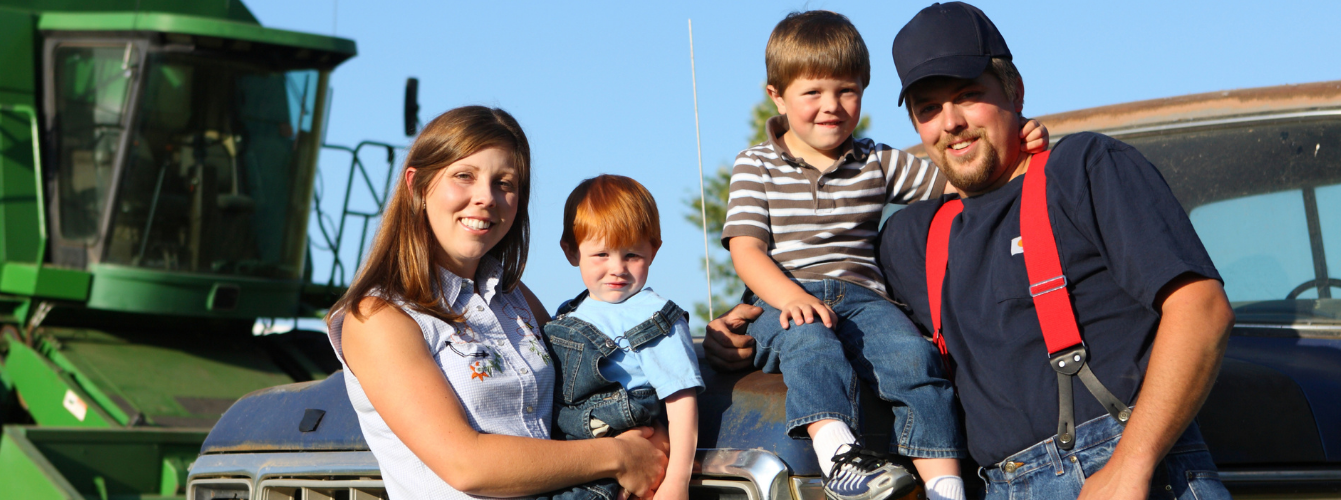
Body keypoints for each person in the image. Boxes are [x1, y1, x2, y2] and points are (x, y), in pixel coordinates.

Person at [709, 3, 1236, 499]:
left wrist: (1130, 466)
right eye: (928, 108)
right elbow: (847, 319)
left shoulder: (1082, 168)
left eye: (968, 95)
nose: (951, 121)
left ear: (1015, 91)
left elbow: (1201, 309)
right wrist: (745, 328)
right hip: (990, 484)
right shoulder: (911, 237)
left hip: (1114, 471)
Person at [720, 10, 1045, 500]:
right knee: (809, 341)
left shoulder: (876, 160)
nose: (831, 106)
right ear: (777, 96)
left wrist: (1021, 146)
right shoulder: (756, 164)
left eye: (846, 90)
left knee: (913, 356)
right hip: (781, 297)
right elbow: (746, 249)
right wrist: (788, 296)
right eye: (812, 92)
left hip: (864, 298)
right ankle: (841, 459)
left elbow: (960, 177)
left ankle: (946, 487)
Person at [327, 106, 668, 499]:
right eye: (464, 176)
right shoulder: (380, 319)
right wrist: (618, 456)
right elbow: (464, 463)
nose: (486, 198)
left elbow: (594, 370)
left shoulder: (516, 299)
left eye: (504, 183)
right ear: (417, 185)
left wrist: (706, 344)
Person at [545, 175, 705, 500]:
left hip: (615, 465)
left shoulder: (654, 317)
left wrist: (677, 481)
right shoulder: (569, 313)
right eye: (601, 254)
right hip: (565, 455)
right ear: (571, 251)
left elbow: (682, 401)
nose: (617, 268)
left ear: (654, 249)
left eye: (632, 255)